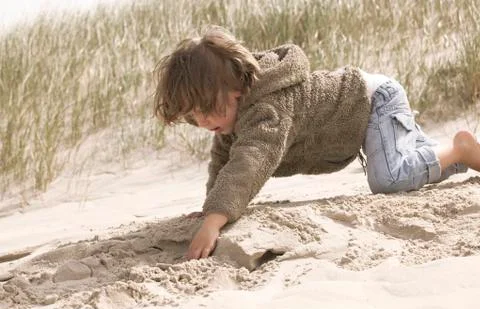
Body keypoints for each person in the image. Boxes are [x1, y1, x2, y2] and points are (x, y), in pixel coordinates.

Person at [154, 26, 480, 260]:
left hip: (374, 103)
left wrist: (215, 221)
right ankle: (447, 154)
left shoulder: (269, 107)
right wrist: (210, 205)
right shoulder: (234, 117)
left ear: (235, 88)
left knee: (389, 179)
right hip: (364, 122)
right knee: (399, 168)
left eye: (210, 109)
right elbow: (224, 159)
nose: (205, 122)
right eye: (195, 117)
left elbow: (248, 164)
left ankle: (460, 149)